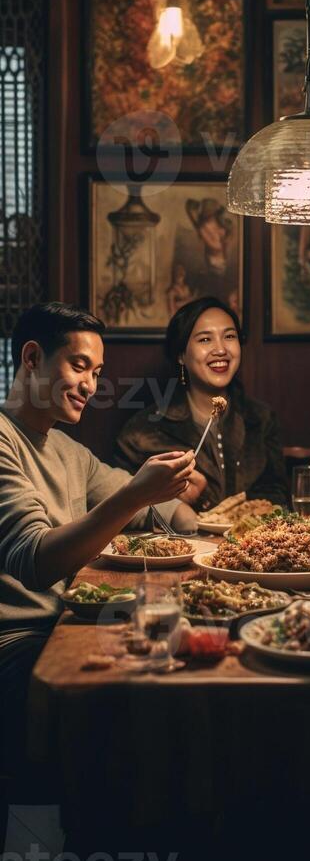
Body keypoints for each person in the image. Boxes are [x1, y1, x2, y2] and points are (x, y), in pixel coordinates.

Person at [0, 302, 201, 767]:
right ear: (32, 359)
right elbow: (36, 561)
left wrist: (176, 494)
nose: (91, 386)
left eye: (97, 372)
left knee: (180, 655)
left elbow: (168, 514)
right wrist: (136, 496)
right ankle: (92, 828)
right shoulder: (5, 440)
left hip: (66, 625)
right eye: (79, 366)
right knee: (138, 694)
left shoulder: (70, 450)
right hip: (18, 642)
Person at [115, 296, 289, 511]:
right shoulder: (142, 431)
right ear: (181, 355)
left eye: (229, 336)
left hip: (249, 540)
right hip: (182, 542)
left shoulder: (261, 418)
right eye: (205, 339)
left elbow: (278, 494)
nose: (220, 349)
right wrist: (176, 501)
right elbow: (123, 507)